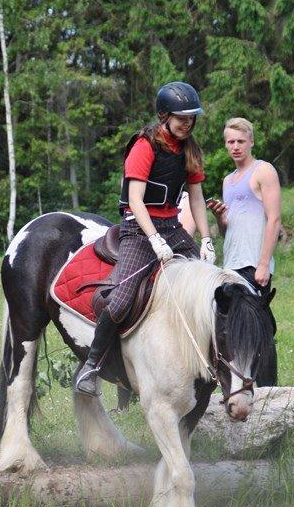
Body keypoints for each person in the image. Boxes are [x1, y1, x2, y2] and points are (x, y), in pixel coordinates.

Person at [76, 81, 216, 396]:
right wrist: (153, 239)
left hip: (173, 228)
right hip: (139, 230)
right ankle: (92, 365)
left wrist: (206, 239)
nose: (187, 123)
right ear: (164, 115)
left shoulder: (190, 148)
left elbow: (196, 197)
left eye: (191, 118)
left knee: (207, 287)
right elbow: (136, 200)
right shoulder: (144, 145)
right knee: (121, 299)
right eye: (181, 118)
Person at [207, 117, 281, 295]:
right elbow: (226, 232)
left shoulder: (263, 170)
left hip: (254, 264)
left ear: (251, 142)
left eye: (241, 141)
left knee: (254, 312)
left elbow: (275, 219)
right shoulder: (227, 181)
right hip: (230, 264)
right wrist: (219, 217)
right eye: (231, 142)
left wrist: (264, 264)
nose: (236, 147)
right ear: (225, 144)